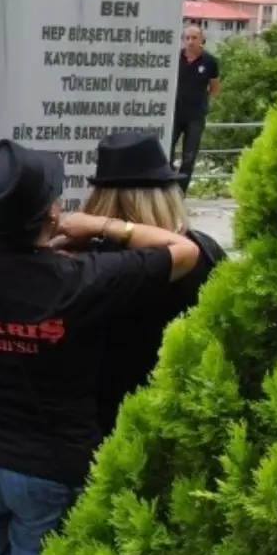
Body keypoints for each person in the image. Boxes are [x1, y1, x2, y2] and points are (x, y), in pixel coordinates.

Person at [0, 139, 200, 555]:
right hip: (46, 468)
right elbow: (183, 250)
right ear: (53, 211)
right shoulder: (81, 280)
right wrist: (101, 226)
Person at [83, 131, 226, 434]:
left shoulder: (95, 262)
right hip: (185, 414)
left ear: (102, 197)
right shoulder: (205, 251)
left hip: (106, 421)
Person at [172, 26, 220, 195]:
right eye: (187, 38)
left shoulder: (210, 62)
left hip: (196, 117)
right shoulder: (175, 58)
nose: (190, 42)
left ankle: (180, 193)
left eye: (194, 38)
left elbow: (214, 88)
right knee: (166, 151)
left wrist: (201, 99)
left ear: (201, 40)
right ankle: (167, 189)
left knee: (189, 157)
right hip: (174, 114)